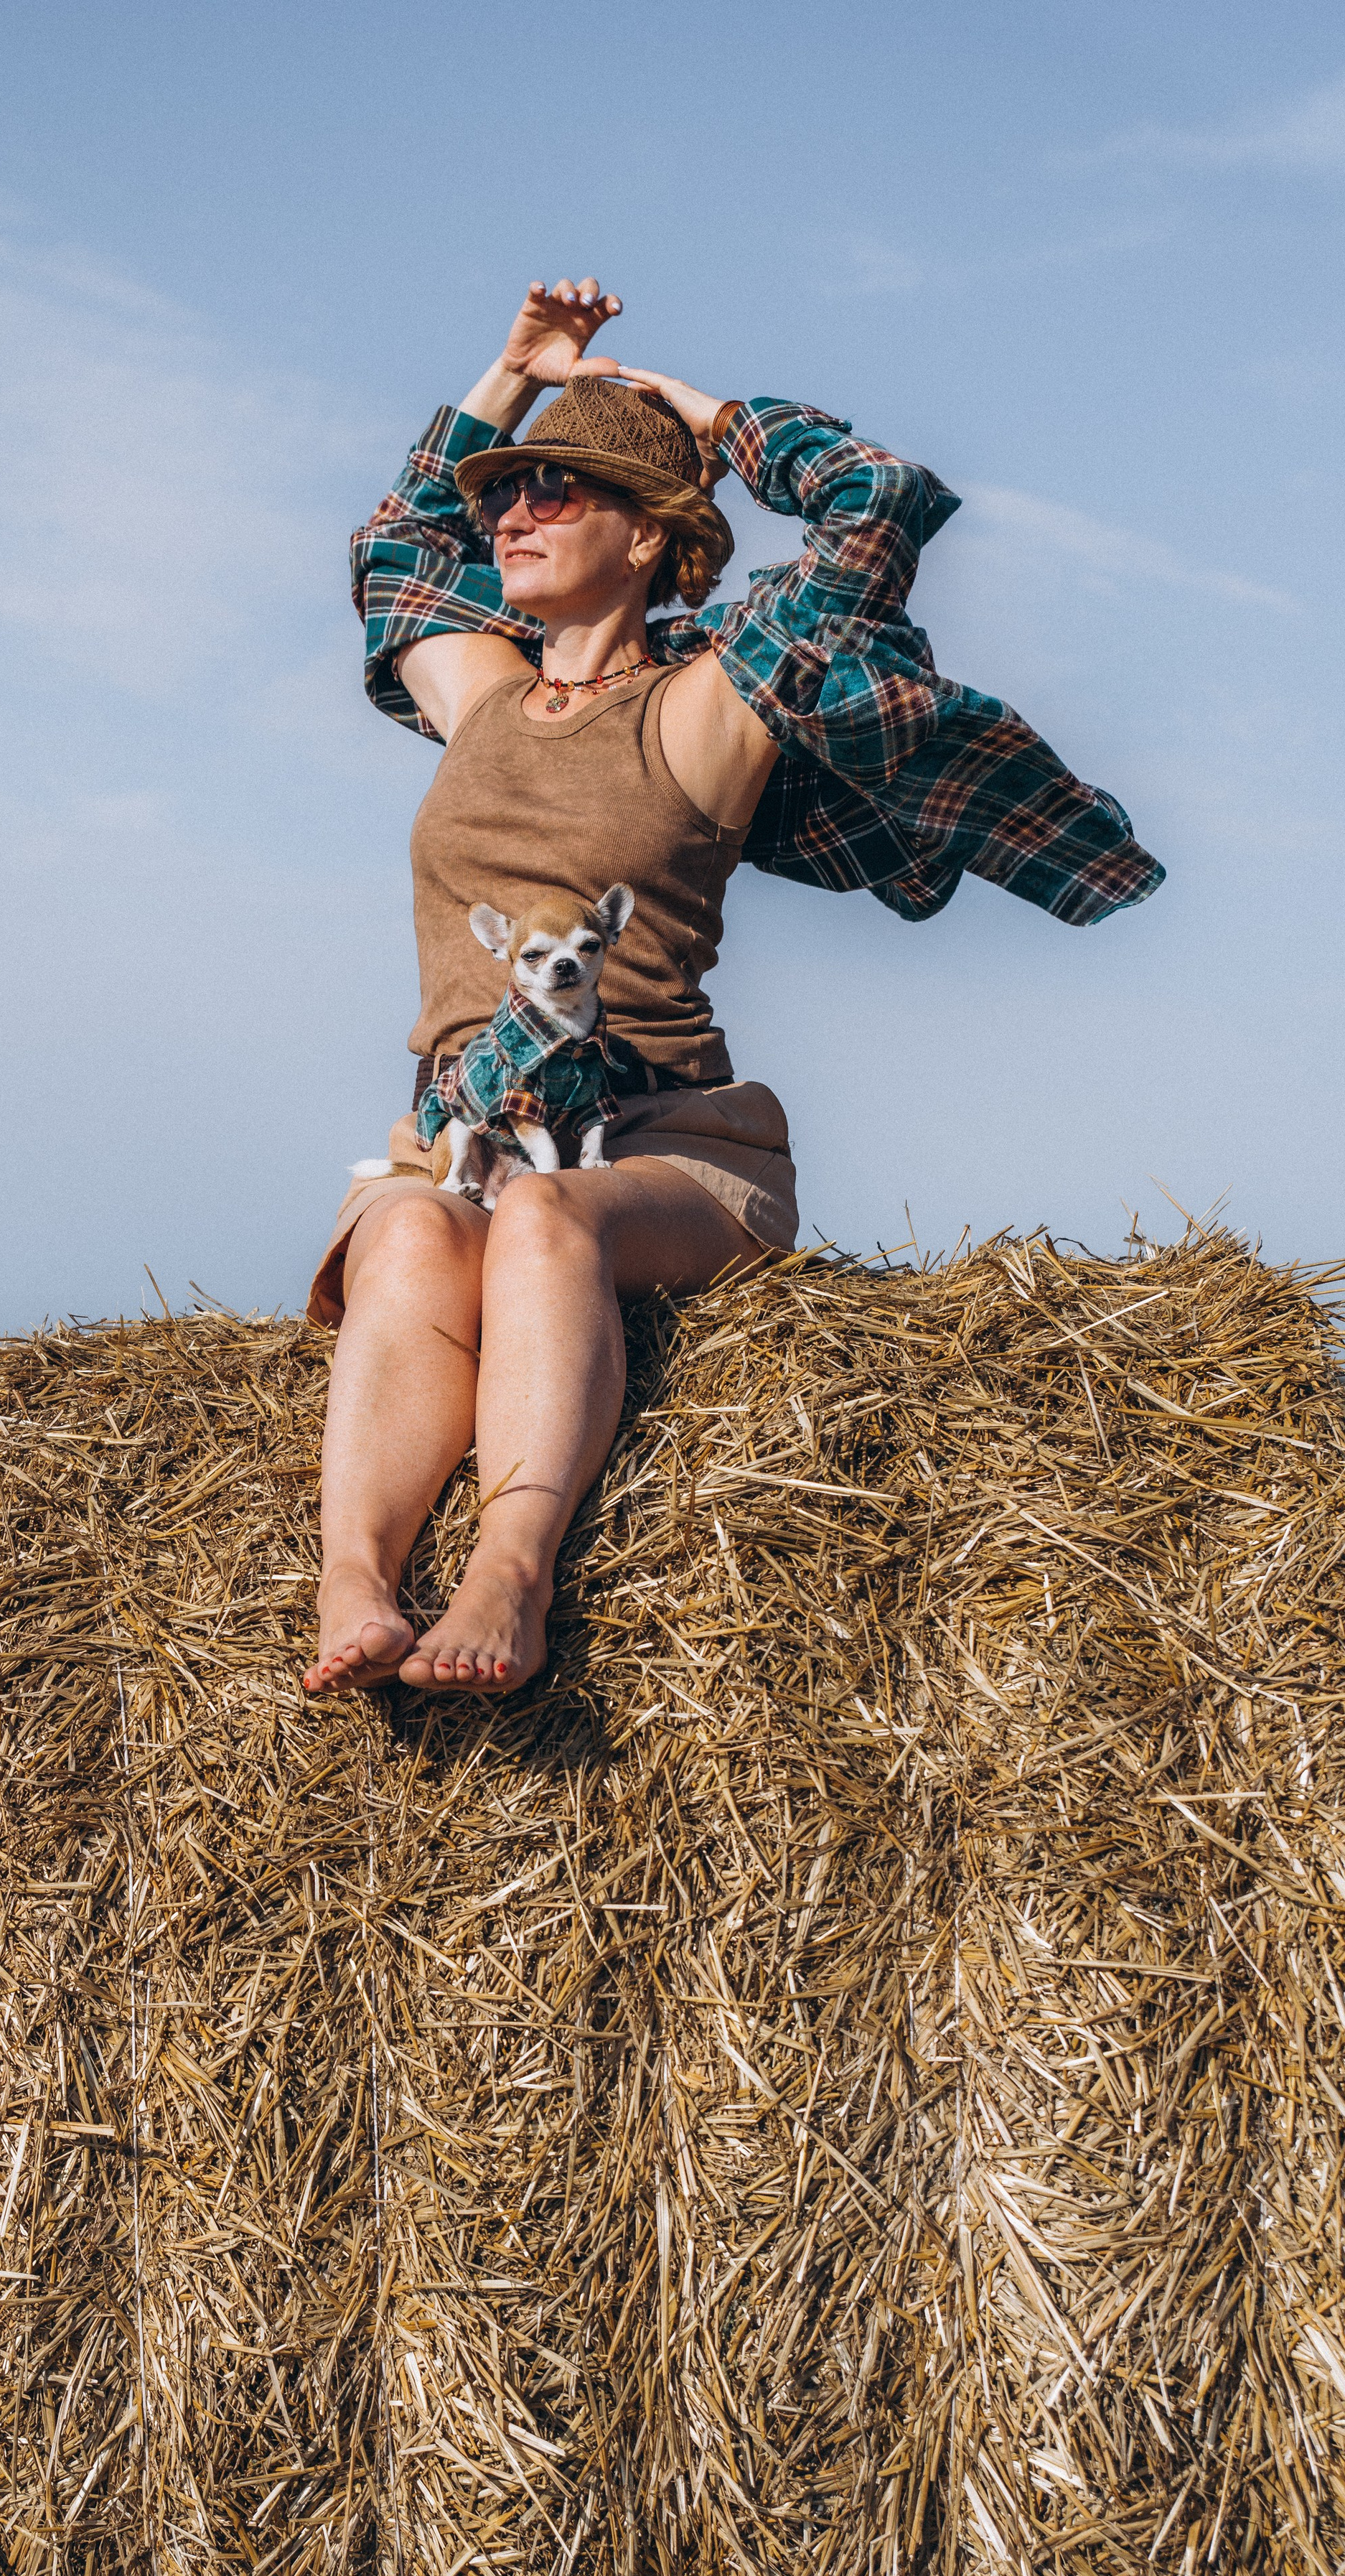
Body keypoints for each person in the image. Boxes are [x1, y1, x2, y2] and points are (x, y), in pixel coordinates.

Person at [301, 277, 1162, 1701]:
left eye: (555, 494)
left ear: (646, 537)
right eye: (506, 493)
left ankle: (506, 1574)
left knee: (537, 1223)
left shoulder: (711, 706)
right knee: (400, 1241)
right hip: (459, 1128)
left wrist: (699, 419)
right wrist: (512, 378)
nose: (510, 513)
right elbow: (399, 537)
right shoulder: (477, 689)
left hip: (663, 1146)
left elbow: (872, 502)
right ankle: (351, 1581)